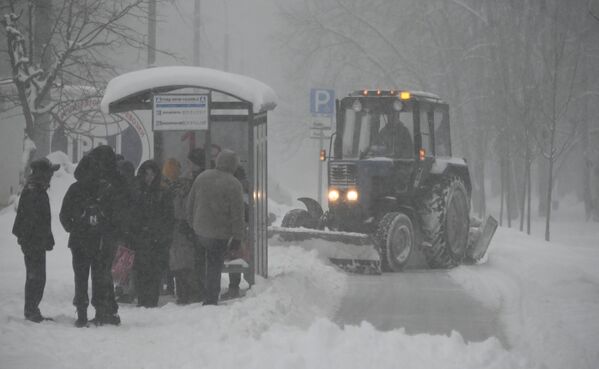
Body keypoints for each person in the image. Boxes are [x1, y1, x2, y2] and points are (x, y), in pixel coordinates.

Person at [60, 147, 123, 327]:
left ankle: (81, 314)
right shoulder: (105, 189)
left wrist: (74, 228)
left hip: (79, 242)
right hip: (99, 242)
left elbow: (64, 216)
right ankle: (101, 312)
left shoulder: (74, 189)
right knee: (98, 278)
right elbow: (115, 217)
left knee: (80, 278)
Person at [186, 149, 245, 305]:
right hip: (219, 233)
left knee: (200, 263)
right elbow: (237, 214)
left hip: (199, 230)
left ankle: (198, 292)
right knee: (214, 265)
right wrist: (237, 237)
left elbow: (190, 203)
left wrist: (192, 223)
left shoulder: (202, 177)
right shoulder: (234, 184)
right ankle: (211, 297)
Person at [12, 158, 59, 323]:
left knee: (37, 276)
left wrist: (47, 237)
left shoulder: (37, 189)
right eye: (50, 172)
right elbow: (32, 221)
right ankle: (31, 310)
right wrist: (41, 239)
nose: (51, 175)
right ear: (42, 173)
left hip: (34, 240)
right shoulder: (34, 191)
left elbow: (40, 220)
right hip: (32, 242)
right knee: (36, 277)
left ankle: (32, 309)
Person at [132, 160, 174, 308]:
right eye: (146, 174)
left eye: (152, 174)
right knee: (141, 270)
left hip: (156, 239)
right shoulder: (137, 192)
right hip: (141, 238)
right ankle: (143, 299)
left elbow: (168, 217)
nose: (149, 177)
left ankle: (151, 300)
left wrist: (162, 234)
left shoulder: (163, 193)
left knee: (154, 271)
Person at [163, 158, 198, 304]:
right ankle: (187, 292)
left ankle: (181, 292)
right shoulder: (187, 188)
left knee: (177, 262)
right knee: (186, 262)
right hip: (185, 227)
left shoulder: (167, 188)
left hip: (175, 228)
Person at [186, 147, 207, 301]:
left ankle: (199, 290)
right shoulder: (200, 177)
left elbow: (192, 203)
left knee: (199, 259)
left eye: (190, 162)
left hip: (199, 224)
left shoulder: (199, 179)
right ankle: (201, 289)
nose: (189, 166)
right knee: (201, 259)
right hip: (202, 223)